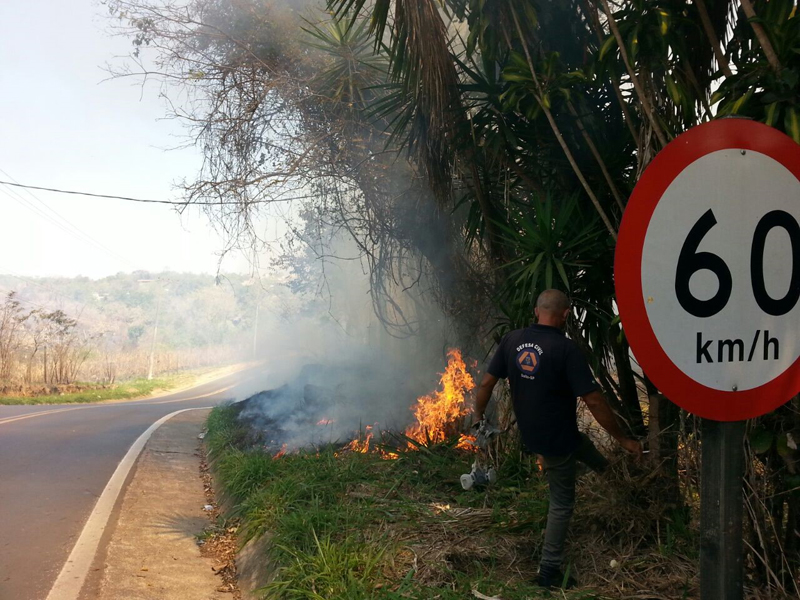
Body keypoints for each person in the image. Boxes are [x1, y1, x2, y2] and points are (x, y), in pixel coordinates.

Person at [474, 289, 642, 588]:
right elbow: (593, 400)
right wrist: (622, 438)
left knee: (585, 448)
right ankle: (549, 571)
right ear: (565, 315)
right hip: (555, 439)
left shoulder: (512, 340)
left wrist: (477, 416)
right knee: (562, 502)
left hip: (536, 432)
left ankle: (626, 493)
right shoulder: (565, 349)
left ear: (537, 311)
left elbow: (487, 382)